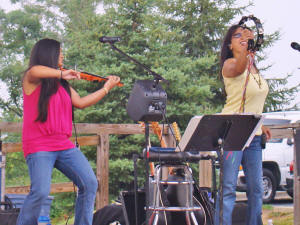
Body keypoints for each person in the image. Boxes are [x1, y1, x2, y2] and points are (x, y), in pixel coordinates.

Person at [17, 38, 120, 225]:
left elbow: (81, 102)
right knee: (40, 191)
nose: (63, 56)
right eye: (60, 52)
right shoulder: (31, 79)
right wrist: (61, 74)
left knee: (89, 184)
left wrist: (106, 88)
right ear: (49, 54)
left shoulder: (63, 85)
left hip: (64, 145)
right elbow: (35, 70)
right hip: (39, 145)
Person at [214, 25, 272, 225]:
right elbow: (240, 68)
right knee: (229, 187)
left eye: (245, 35)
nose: (242, 38)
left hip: (253, 134)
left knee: (256, 188)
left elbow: (253, 100)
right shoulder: (230, 64)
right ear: (230, 45)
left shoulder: (254, 67)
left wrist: (260, 123)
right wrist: (244, 49)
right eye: (236, 36)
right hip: (232, 132)